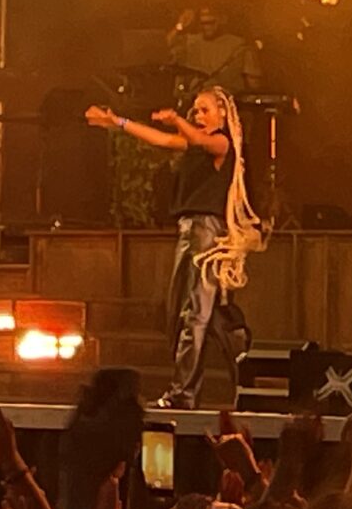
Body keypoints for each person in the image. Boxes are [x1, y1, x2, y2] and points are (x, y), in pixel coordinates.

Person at [84, 84, 267, 408]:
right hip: (190, 229)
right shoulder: (194, 145)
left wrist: (177, 120)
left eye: (205, 110)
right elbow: (162, 139)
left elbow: (196, 139)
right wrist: (118, 122)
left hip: (206, 230)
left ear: (223, 114)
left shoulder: (222, 143)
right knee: (189, 313)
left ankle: (184, 392)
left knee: (194, 314)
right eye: (195, 110)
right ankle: (238, 364)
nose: (198, 115)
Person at [162, 6, 259, 94]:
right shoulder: (190, 42)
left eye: (211, 22)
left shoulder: (239, 45)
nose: (207, 27)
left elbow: (254, 83)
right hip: (195, 99)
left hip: (225, 100)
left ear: (222, 20)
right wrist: (180, 25)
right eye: (203, 23)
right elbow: (164, 48)